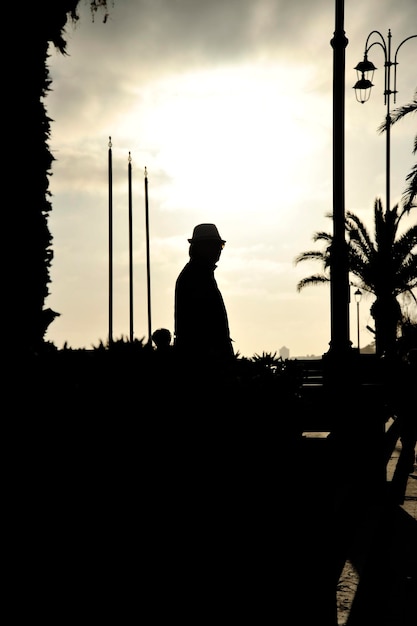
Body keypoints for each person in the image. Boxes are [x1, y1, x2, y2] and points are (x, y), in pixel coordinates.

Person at [174, 223, 234, 382]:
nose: (219, 250)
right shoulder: (196, 277)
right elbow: (206, 326)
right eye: (215, 245)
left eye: (220, 246)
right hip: (204, 364)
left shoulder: (198, 274)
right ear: (200, 248)